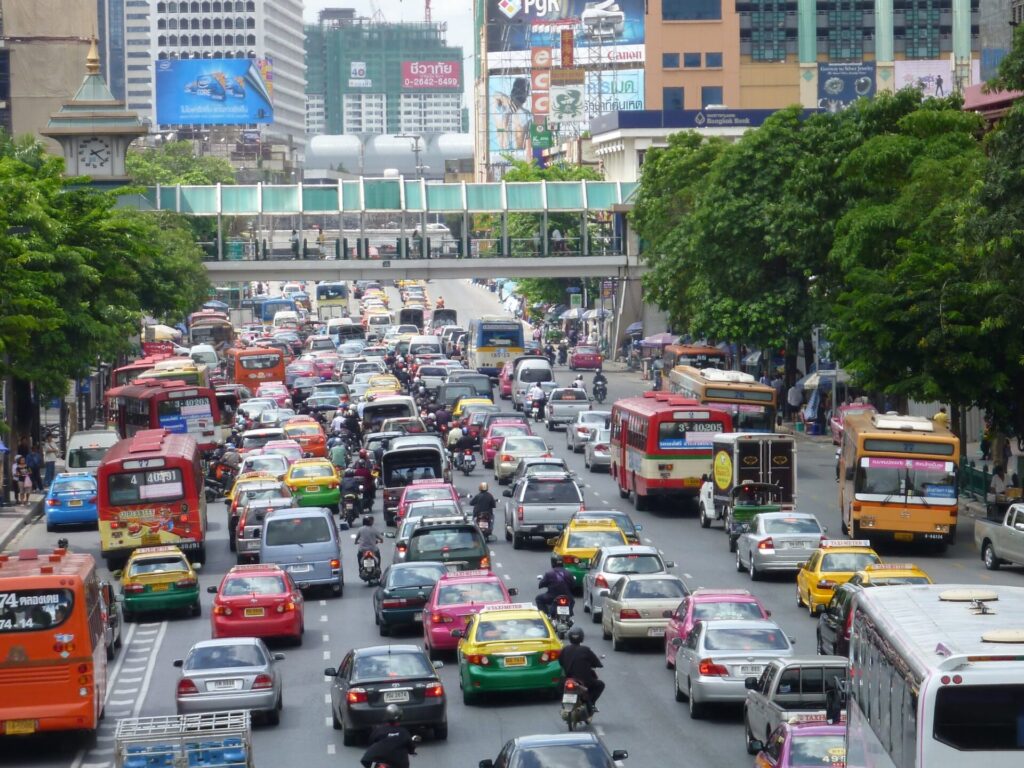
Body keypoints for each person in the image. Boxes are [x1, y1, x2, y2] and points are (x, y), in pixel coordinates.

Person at [559, 627, 605, 714]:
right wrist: (598, 664)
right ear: (582, 638)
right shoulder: (586, 650)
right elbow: (596, 662)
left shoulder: (565, 649)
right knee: (600, 685)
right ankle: (591, 703)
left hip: (568, 680)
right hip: (584, 681)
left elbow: (560, 662)